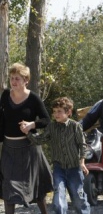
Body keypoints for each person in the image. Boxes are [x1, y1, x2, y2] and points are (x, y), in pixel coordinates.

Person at [0, 62, 53, 214]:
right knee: (8, 186)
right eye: (11, 78)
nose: (13, 81)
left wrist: (32, 125)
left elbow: (46, 120)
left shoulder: (33, 99)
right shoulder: (5, 96)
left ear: (26, 80)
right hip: (9, 149)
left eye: (17, 78)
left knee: (38, 188)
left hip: (30, 148)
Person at [25, 97, 91, 214]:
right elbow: (40, 140)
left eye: (59, 111)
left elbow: (82, 145)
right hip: (58, 168)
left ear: (68, 112)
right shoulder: (51, 127)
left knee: (78, 198)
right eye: (54, 111)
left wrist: (82, 162)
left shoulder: (75, 126)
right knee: (58, 196)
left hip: (74, 168)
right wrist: (28, 133)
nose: (56, 114)